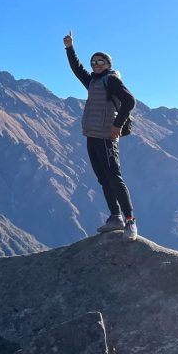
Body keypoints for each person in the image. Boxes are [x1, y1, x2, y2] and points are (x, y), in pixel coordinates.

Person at [63, 31, 137, 241]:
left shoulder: (111, 80)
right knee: (103, 178)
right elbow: (78, 69)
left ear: (108, 64)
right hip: (92, 135)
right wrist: (69, 48)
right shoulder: (94, 81)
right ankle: (116, 217)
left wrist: (117, 125)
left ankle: (130, 221)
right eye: (93, 61)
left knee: (114, 176)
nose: (96, 64)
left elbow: (130, 102)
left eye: (100, 61)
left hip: (106, 136)